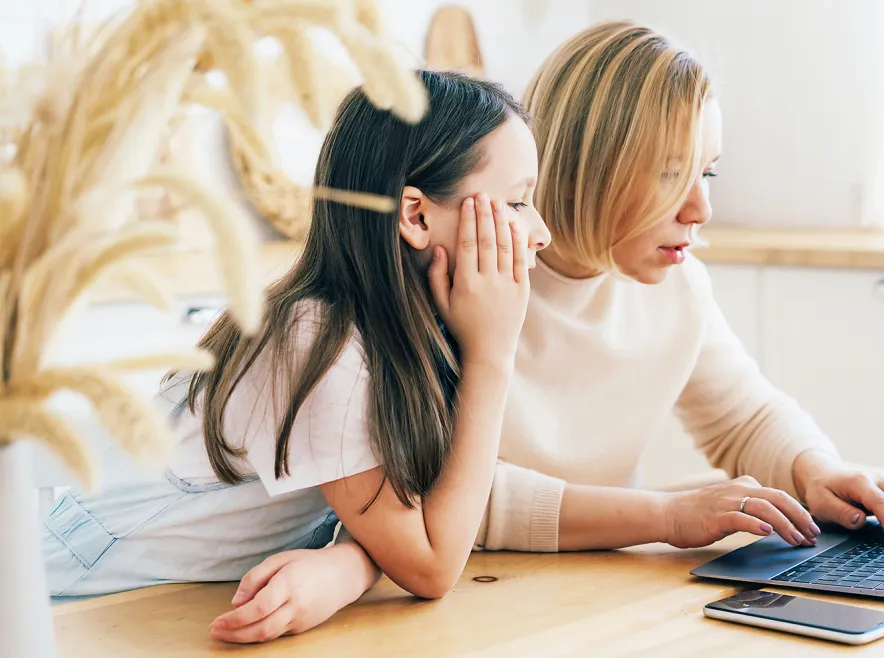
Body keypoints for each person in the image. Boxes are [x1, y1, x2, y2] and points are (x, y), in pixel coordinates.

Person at [210, 20, 884, 643]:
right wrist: (663, 514)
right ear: (588, 166)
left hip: (579, 601)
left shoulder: (676, 282)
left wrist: (815, 469)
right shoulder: (449, 286)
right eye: (669, 175)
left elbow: (745, 414)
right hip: (480, 614)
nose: (699, 210)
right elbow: (438, 496)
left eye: (708, 174)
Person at [42, 71, 552, 607]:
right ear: (416, 215)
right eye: (518, 203)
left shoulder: (407, 333)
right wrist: (492, 355)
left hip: (171, 605)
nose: (541, 232)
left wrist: (349, 562)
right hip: (75, 602)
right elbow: (431, 565)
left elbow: (421, 507)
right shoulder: (316, 341)